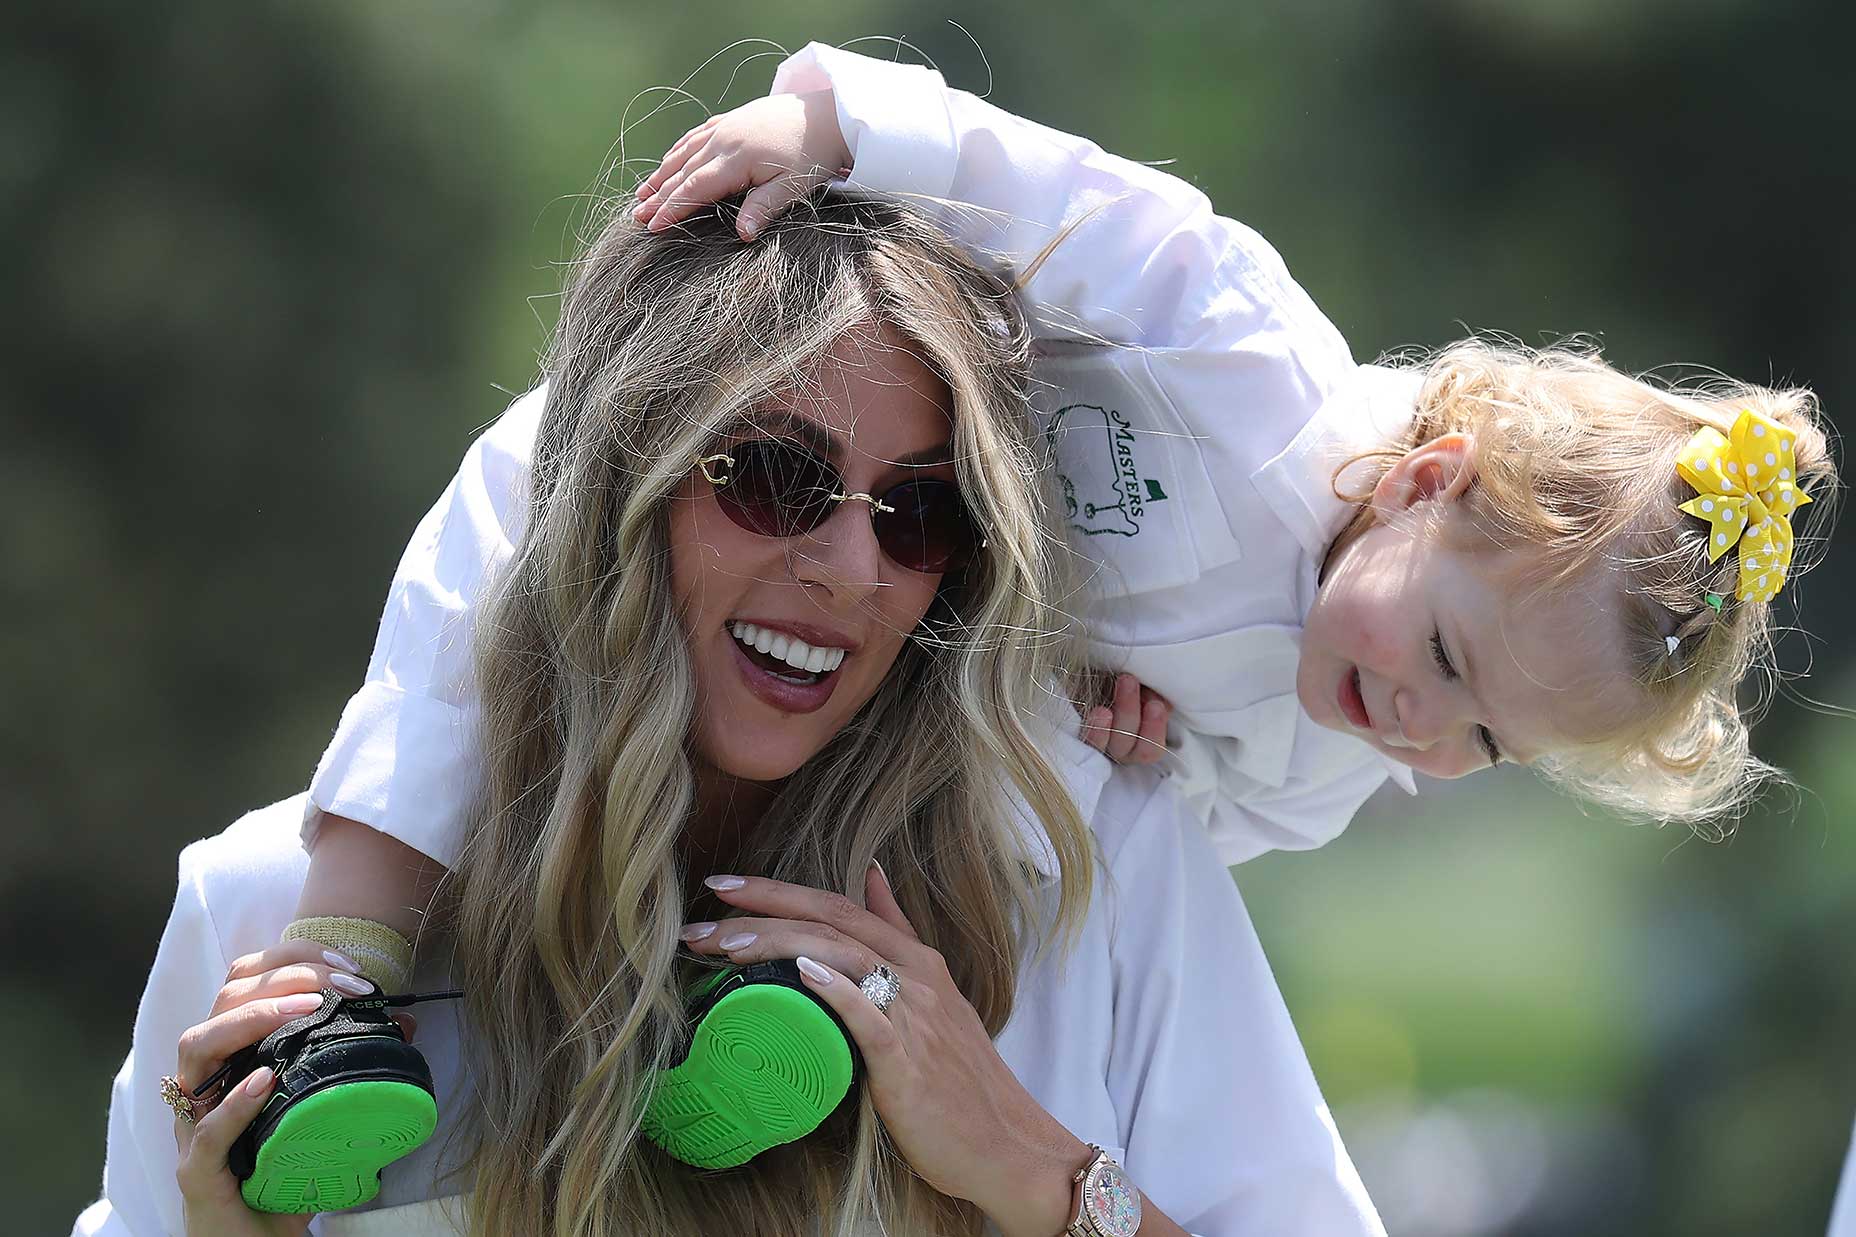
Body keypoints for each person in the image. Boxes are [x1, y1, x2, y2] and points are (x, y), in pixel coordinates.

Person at [77, 192, 1386, 1235]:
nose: (854, 568)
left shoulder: (1089, 884)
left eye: (923, 511)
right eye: (772, 476)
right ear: (619, 492)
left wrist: (1034, 1170)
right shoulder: (270, 923)